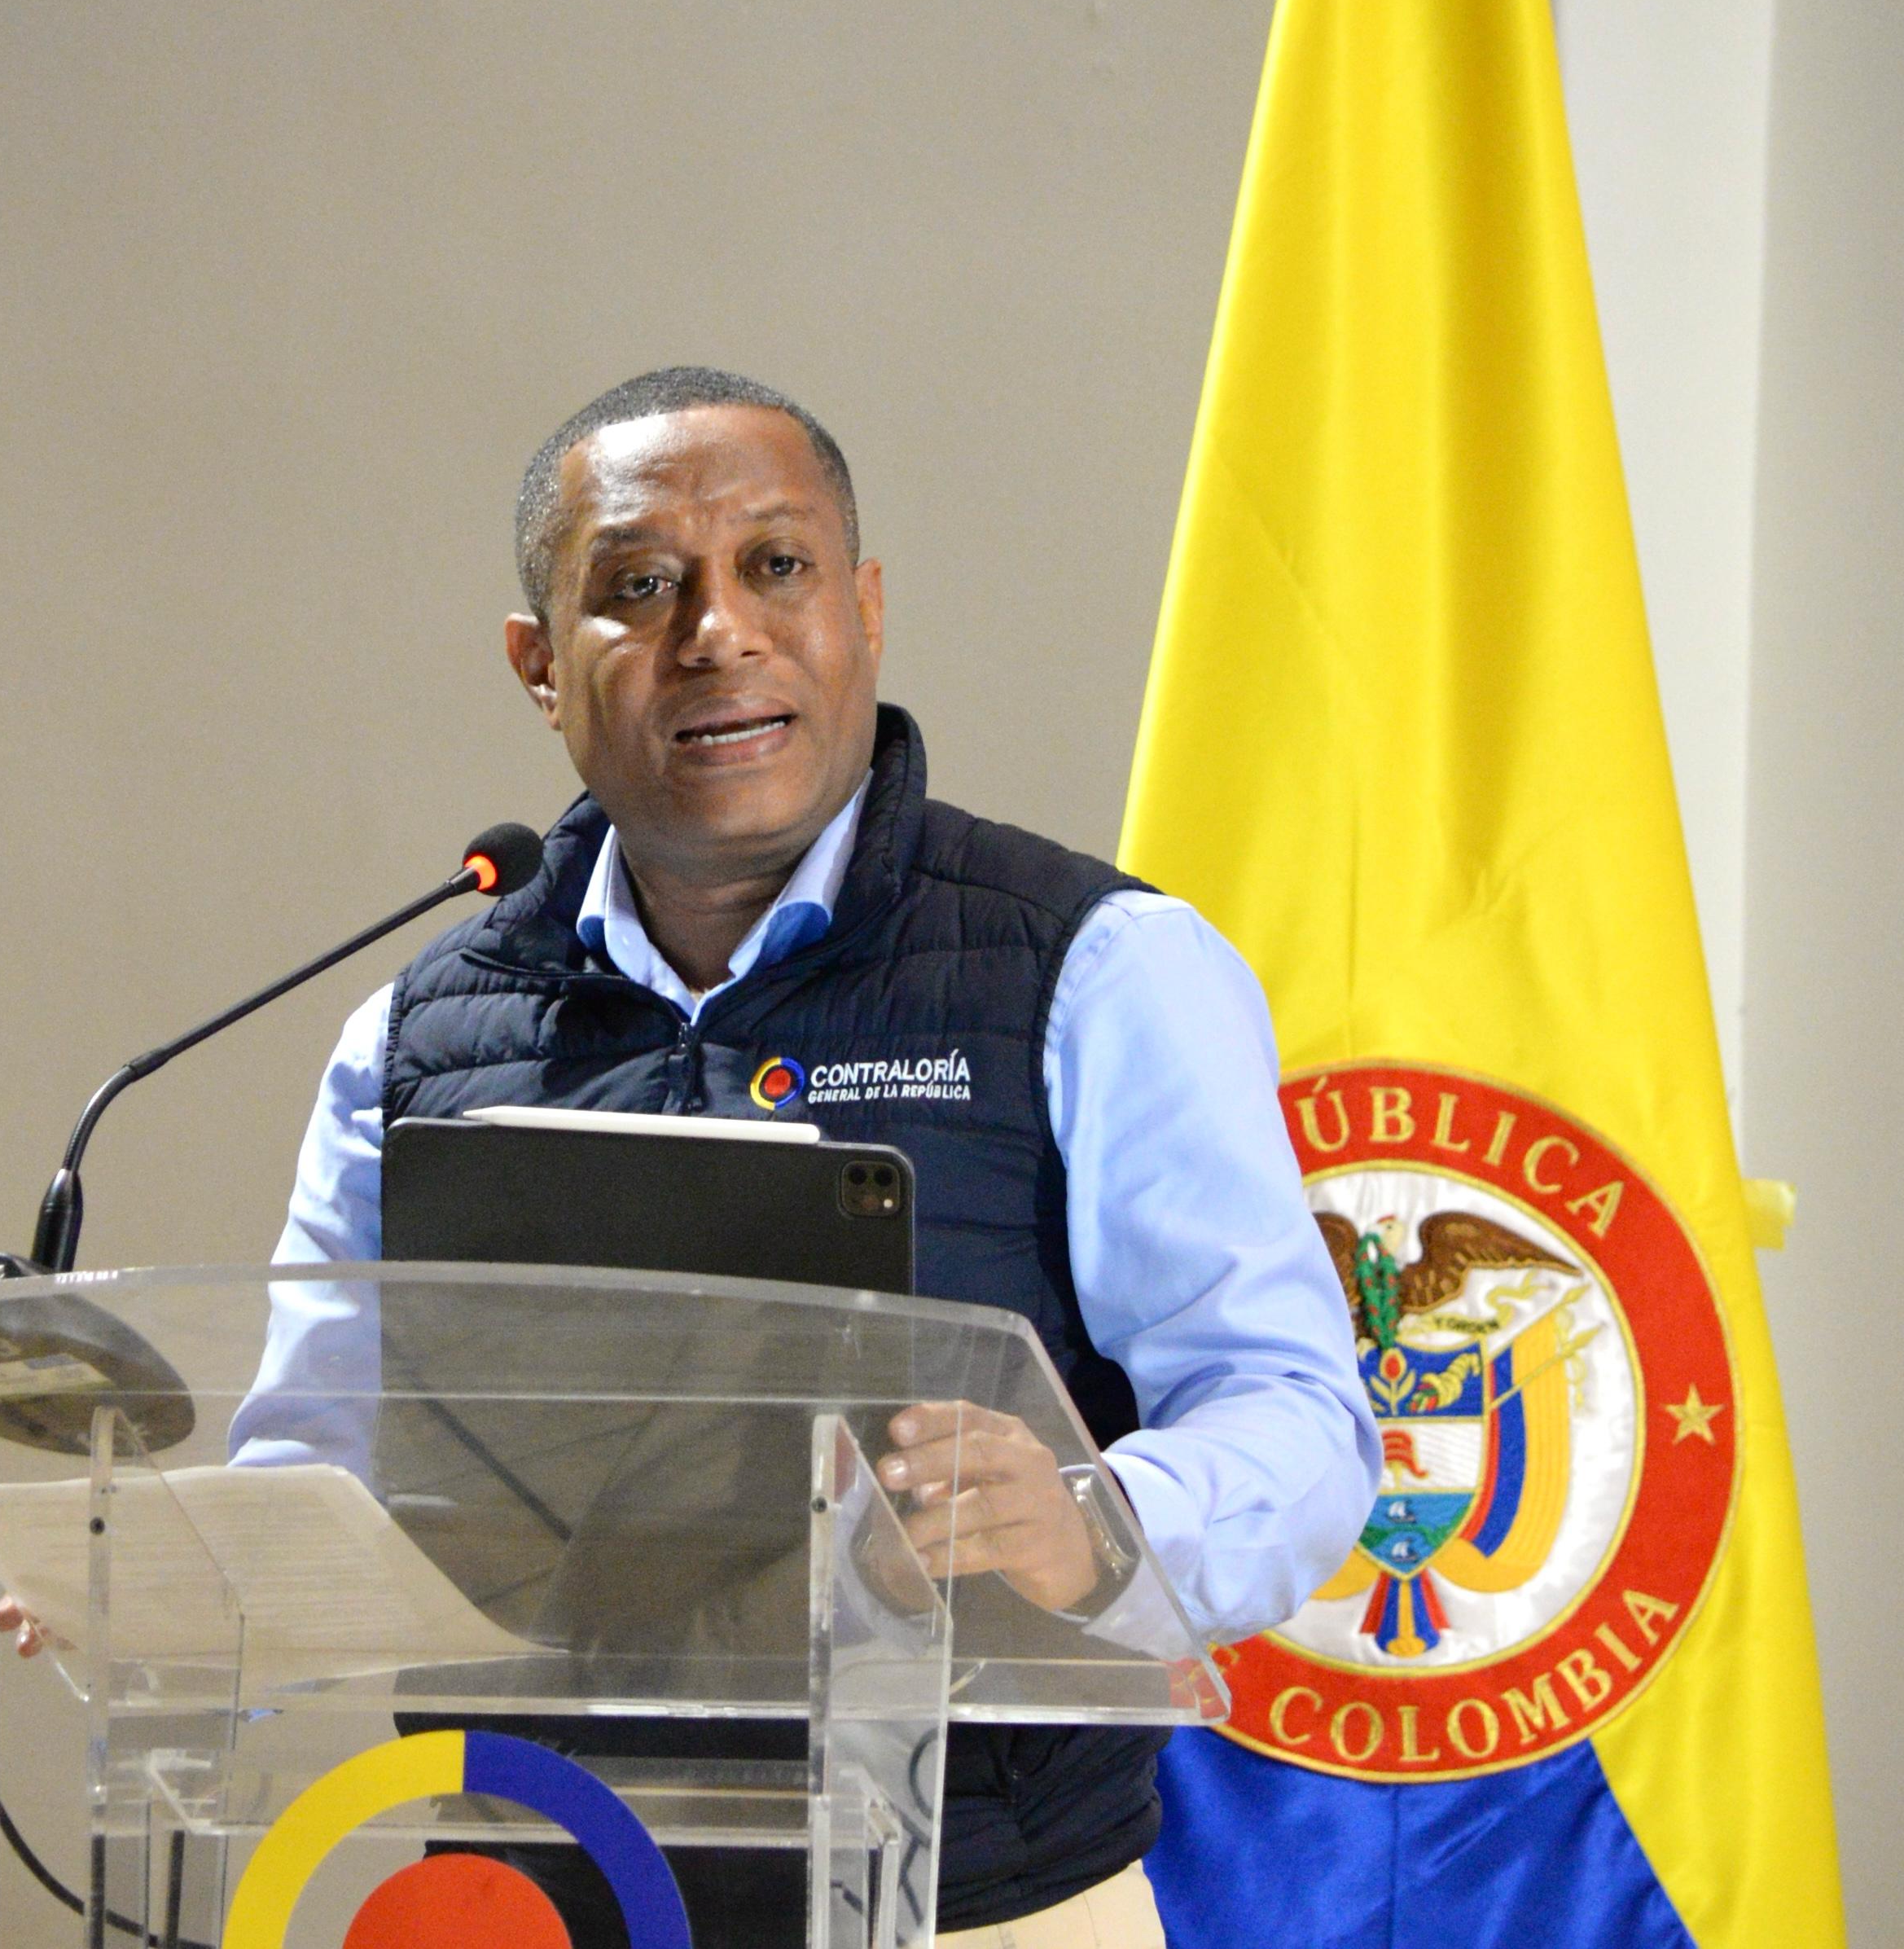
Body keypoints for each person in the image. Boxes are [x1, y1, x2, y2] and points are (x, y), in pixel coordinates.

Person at [234, 367, 1376, 1947]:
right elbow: (312, 1458)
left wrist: (1092, 1516)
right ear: (539, 665)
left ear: (865, 609)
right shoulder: (416, 1035)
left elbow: (1298, 1414)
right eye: (641, 587)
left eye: (776, 565)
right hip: (538, 1892)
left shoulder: (1095, 968)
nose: (718, 631)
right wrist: (160, 1575)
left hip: (973, 1898)